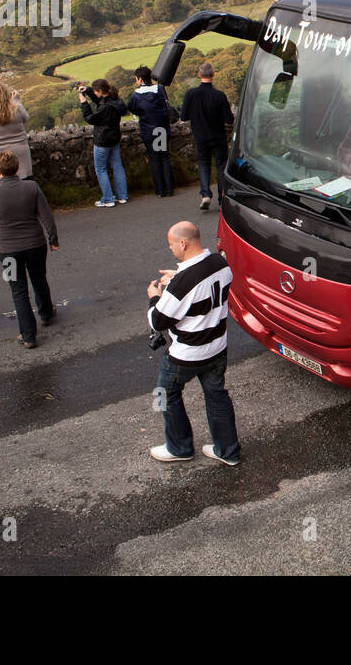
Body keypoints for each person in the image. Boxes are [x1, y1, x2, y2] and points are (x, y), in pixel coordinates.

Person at [146, 220, 240, 465]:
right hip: (217, 348)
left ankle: (179, 448)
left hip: (187, 355)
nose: (170, 249)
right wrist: (178, 275)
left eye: (171, 244)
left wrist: (155, 297)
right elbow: (201, 282)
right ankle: (227, 451)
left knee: (164, 394)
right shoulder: (221, 263)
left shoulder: (181, 284)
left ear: (183, 243)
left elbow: (158, 321)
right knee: (217, 396)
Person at [0, 151, 57, 348]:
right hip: (35, 246)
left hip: (7, 251)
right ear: (17, 168)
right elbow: (47, 217)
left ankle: (28, 335)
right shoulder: (32, 187)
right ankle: (45, 314)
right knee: (39, 279)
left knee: (18, 290)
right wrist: (53, 239)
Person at [180, 61, 233, 211]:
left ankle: (205, 195)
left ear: (199, 75)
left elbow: (183, 116)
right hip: (218, 136)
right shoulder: (219, 95)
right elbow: (229, 119)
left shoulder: (190, 94)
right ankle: (222, 198)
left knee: (203, 164)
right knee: (221, 165)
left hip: (200, 136)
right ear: (213, 75)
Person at [79, 78, 129, 207]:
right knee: (117, 166)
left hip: (102, 140)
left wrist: (84, 103)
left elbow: (90, 118)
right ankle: (122, 196)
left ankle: (108, 199)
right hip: (115, 138)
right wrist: (89, 91)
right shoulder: (115, 100)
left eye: (95, 91)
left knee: (101, 169)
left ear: (100, 91)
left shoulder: (105, 107)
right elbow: (101, 101)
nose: (95, 94)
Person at [127, 66, 175, 198]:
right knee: (164, 158)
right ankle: (170, 188)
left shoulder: (136, 95)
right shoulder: (160, 89)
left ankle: (160, 190)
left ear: (140, 79)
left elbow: (131, 108)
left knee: (155, 159)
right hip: (162, 128)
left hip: (149, 130)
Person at [0, 82, 32, 183]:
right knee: (23, 184)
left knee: (1, 186)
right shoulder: (16, 109)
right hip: (20, 150)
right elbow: (26, 118)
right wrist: (17, 101)